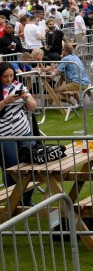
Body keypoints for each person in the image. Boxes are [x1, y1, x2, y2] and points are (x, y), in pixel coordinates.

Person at [0, 62, 37, 192]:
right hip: (4, 135)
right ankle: (12, 198)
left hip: (24, 131)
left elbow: (33, 107)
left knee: (30, 163)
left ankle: (26, 196)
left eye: (11, 75)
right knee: (11, 168)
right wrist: (5, 101)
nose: (9, 79)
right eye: (5, 76)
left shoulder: (19, 86)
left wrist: (26, 98)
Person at [56, 41, 91, 107]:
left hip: (77, 84)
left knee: (56, 91)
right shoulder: (75, 57)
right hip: (85, 82)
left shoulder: (65, 58)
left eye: (62, 50)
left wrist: (50, 69)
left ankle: (73, 104)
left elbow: (57, 71)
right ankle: (79, 102)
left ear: (64, 50)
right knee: (69, 85)